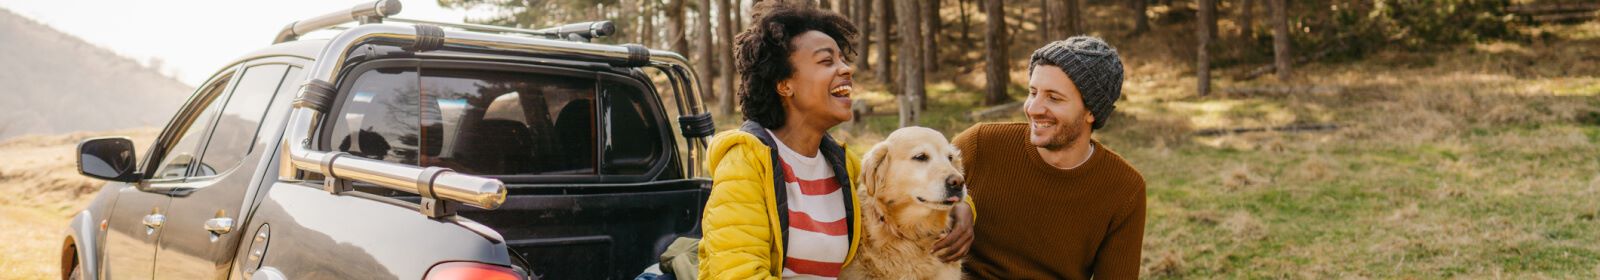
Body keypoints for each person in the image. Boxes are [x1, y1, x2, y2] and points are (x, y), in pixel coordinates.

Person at [954, 36, 1147, 279]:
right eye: (1033, 92)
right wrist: (957, 205)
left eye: (1054, 98)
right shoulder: (980, 144)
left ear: (1091, 112)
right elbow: (900, 197)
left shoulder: (1124, 189)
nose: (1033, 108)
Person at [697, 2, 863, 279]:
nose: (846, 69)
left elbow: (906, 197)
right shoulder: (745, 163)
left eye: (843, 59)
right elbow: (737, 273)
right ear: (784, 84)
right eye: (826, 61)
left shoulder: (844, 166)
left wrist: (960, 212)